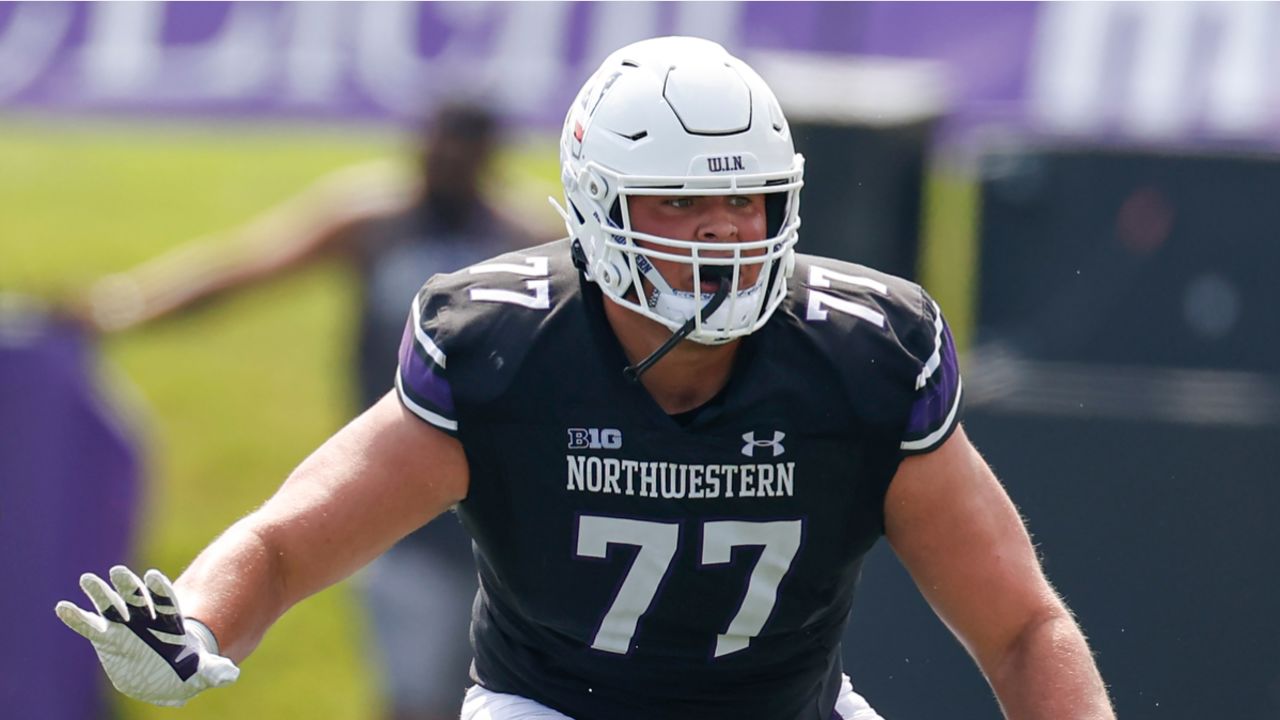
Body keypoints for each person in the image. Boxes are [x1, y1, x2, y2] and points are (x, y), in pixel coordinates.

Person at [56, 36, 1115, 719]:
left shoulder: (862, 352)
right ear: (596, 210)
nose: (721, 231)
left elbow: (1022, 626)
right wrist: (196, 622)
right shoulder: (505, 346)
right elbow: (290, 539)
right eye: (674, 204)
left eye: (746, 200)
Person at [64, 101, 542, 720]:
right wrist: (124, 307)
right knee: (419, 696)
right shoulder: (375, 221)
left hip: (503, 501)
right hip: (401, 487)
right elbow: (243, 269)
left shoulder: (519, 238)